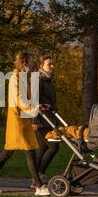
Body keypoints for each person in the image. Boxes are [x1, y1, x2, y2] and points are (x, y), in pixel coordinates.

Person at [0, 52, 50, 196]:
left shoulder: (23, 77)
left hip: (22, 117)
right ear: (24, 62)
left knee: (8, 152)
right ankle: (39, 186)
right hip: (18, 118)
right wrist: (33, 108)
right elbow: (20, 99)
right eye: (30, 62)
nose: (32, 64)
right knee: (29, 151)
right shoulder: (17, 78)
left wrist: (37, 105)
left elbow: (27, 98)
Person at [32, 55, 59, 187]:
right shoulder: (39, 79)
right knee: (54, 147)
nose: (52, 66)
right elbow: (34, 101)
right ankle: (39, 174)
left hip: (50, 118)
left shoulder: (48, 80)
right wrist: (34, 120)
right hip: (42, 119)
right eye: (49, 64)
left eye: (53, 64)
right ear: (41, 65)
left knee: (43, 148)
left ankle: (35, 178)